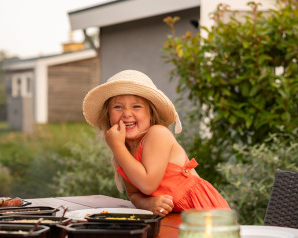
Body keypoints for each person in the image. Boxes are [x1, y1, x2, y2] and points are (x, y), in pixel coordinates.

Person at [83, 70, 230, 215]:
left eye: (136, 106)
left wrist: (117, 147)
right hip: (176, 218)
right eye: (118, 107)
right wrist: (147, 203)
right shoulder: (124, 152)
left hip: (203, 211)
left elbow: (147, 185)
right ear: (108, 115)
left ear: (151, 113)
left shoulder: (157, 134)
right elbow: (134, 194)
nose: (127, 113)